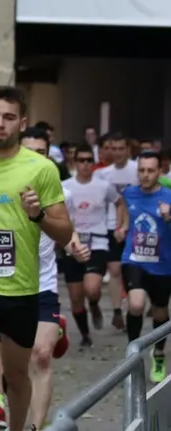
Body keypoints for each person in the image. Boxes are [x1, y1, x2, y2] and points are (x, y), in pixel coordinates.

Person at [0, 86, 72, 431]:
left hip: (21, 286)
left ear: (22, 122)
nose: (0, 124)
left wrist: (38, 216)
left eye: (8, 117)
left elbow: (64, 232)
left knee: (17, 375)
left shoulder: (42, 169)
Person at [0, 129, 85, 430]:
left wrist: (74, 246)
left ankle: (35, 427)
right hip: (0, 282)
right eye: (27, 150)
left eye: (40, 152)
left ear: (48, 155)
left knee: (40, 357)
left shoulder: (59, 190)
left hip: (40, 286)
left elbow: (67, 229)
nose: (33, 157)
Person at [61, 143, 126, 344]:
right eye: (82, 160)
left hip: (97, 242)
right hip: (72, 243)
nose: (86, 164)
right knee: (75, 298)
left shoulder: (103, 186)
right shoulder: (65, 186)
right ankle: (85, 335)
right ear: (74, 162)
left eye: (90, 160)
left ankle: (95, 303)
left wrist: (120, 226)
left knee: (92, 288)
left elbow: (120, 203)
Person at [121, 152, 171, 383]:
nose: (145, 175)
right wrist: (121, 228)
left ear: (159, 171)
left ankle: (159, 353)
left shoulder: (168, 196)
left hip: (162, 265)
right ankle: (133, 356)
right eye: (141, 170)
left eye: (150, 170)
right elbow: (124, 217)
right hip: (134, 260)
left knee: (160, 311)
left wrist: (168, 217)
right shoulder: (129, 193)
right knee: (136, 304)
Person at [95, 134, 139, 331]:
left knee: (131, 270)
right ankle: (116, 311)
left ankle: (132, 308)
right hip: (110, 226)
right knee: (114, 270)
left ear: (128, 150)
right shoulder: (103, 174)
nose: (118, 153)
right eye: (114, 148)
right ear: (109, 150)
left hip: (136, 226)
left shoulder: (138, 169)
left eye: (122, 149)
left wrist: (127, 225)